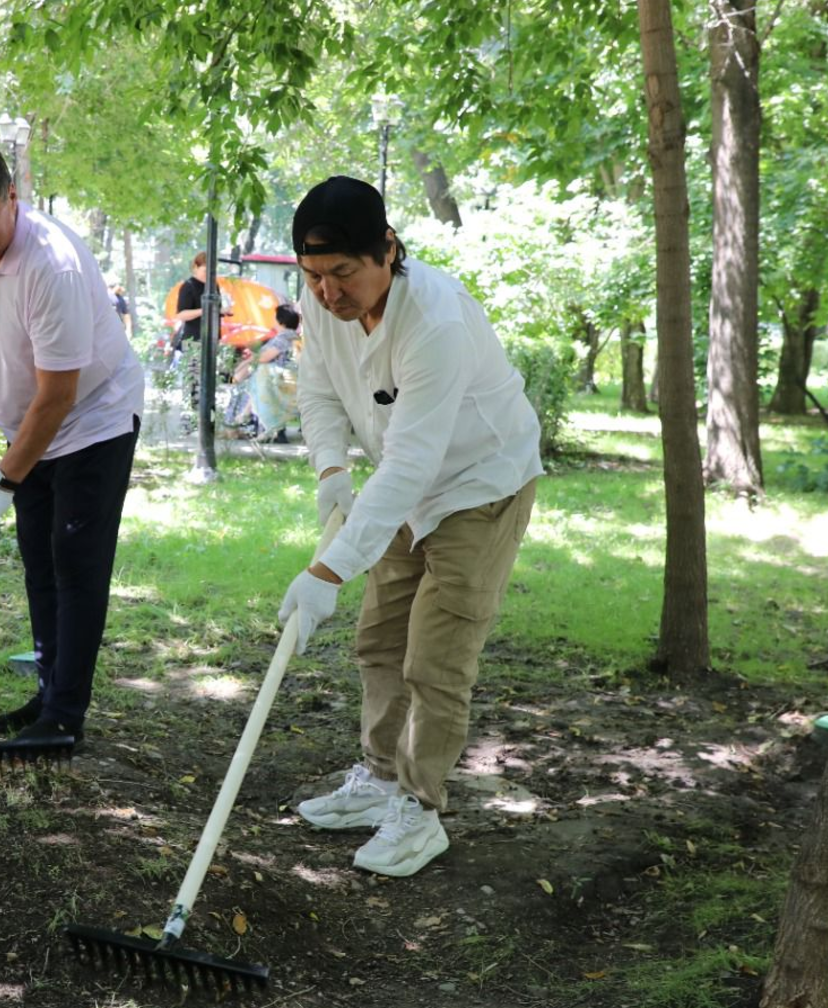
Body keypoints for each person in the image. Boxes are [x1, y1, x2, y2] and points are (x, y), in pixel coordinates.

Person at [278, 176, 542, 877]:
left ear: (388, 250)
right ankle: (379, 778)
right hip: (404, 486)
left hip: (481, 483)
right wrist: (331, 470)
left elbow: (417, 460)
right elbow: (319, 388)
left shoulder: (437, 322)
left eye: (343, 273)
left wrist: (328, 568)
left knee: (436, 654)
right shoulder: (322, 300)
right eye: (313, 275)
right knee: (380, 639)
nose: (327, 292)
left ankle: (420, 809)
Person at [0, 138, 144, 745]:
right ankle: (50, 692)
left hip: (92, 419)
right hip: (26, 425)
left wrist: (2, 484)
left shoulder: (53, 264)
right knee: (39, 559)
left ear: (12, 200)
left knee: (75, 559)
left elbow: (59, 395)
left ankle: (64, 719)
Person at [237, 303, 298, 443]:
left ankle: (242, 421)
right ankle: (245, 420)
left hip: (280, 381)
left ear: (280, 321)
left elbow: (264, 358)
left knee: (251, 385)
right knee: (254, 381)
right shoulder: (294, 337)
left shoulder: (284, 338)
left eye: (274, 318)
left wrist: (248, 361)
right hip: (286, 379)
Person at [168, 251, 207, 357]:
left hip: (211, 340)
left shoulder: (213, 286)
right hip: (193, 341)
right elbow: (181, 315)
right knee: (193, 373)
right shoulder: (188, 286)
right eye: (205, 270)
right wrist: (204, 310)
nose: (208, 274)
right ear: (195, 268)